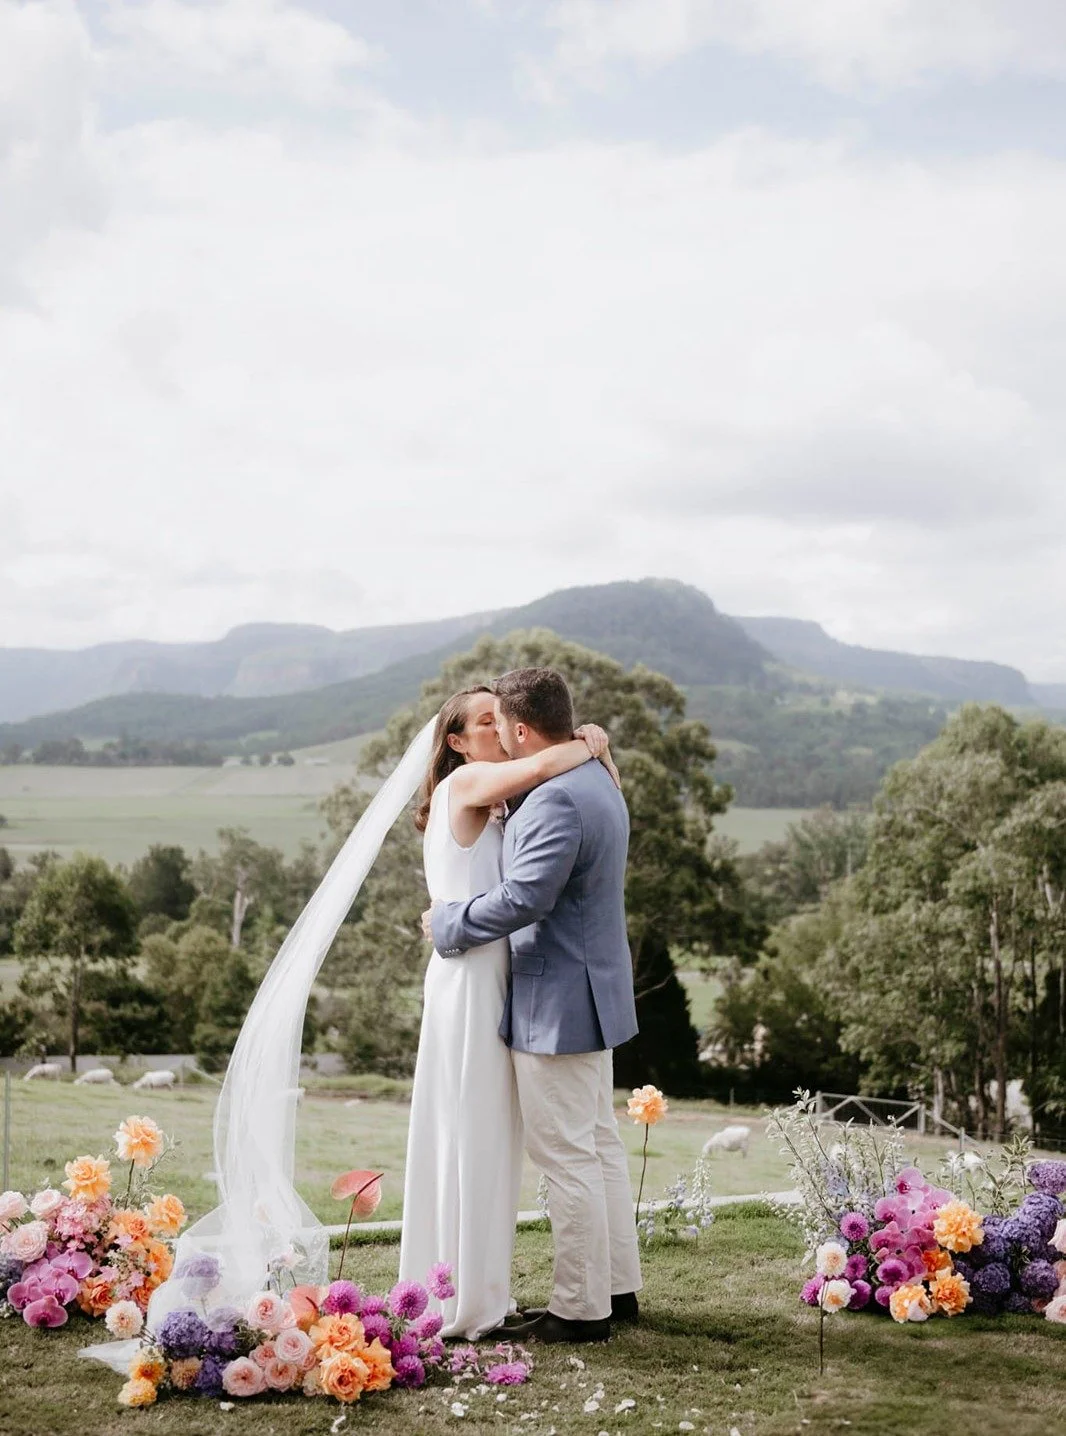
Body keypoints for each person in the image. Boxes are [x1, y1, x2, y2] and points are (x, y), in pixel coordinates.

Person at [428, 667, 642, 1344]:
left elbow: (525, 899)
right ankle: (616, 1287)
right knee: (598, 1146)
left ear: (521, 729)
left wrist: (448, 924)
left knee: (567, 1156)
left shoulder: (554, 798)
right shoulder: (601, 780)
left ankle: (581, 1311)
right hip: (593, 990)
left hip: (558, 999)